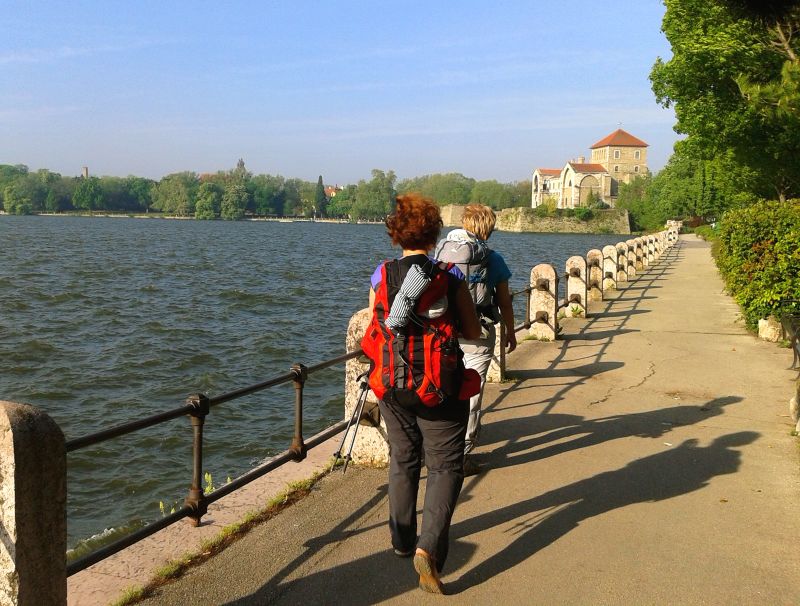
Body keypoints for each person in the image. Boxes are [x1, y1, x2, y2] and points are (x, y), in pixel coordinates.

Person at [366, 193, 480, 594]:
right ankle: (428, 549)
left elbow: (377, 329)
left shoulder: (382, 274)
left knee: (403, 456)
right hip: (439, 387)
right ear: (434, 236)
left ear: (396, 235)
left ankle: (400, 538)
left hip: (392, 384)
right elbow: (471, 332)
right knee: (446, 466)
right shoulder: (450, 277)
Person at [434, 204, 516, 475]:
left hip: (444, 331)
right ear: (488, 228)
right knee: (471, 393)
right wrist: (510, 330)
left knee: (443, 387)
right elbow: (504, 300)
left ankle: (438, 445)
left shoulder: (441, 253)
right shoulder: (493, 258)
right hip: (478, 334)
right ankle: (463, 455)